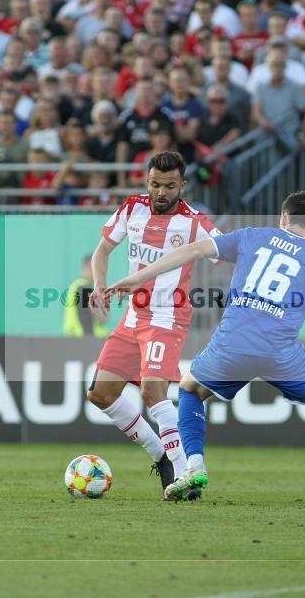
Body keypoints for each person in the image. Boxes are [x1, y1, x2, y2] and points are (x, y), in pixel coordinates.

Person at [105, 191, 305, 508]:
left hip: (231, 345)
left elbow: (192, 251)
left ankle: (194, 467)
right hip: (282, 354)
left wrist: (138, 277)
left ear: (282, 218)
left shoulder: (252, 237)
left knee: (190, 390)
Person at [86, 151, 220, 499]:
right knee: (100, 393)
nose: (160, 192)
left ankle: (186, 473)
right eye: (155, 184)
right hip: (133, 316)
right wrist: (100, 286)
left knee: (151, 390)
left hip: (167, 317)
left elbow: (227, 250)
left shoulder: (194, 221)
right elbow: (102, 250)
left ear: (183, 186)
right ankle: (162, 456)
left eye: (169, 186)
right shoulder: (132, 208)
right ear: (147, 181)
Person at [64, 255, 110, 337]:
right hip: (87, 339)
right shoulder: (85, 289)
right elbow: (101, 318)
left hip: (73, 337)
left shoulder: (74, 287)